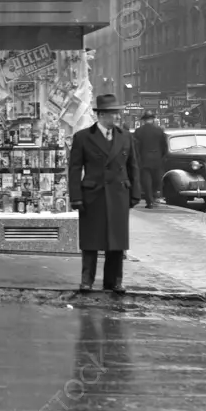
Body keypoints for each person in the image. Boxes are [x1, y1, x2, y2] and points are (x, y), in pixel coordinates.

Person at [68, 94, 141, 294]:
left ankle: (114, 281)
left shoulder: (126, 136)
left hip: (118, 194)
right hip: (93, 195)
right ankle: (87, 280)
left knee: (117, 241)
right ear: (100, 115)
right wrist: (76, 196)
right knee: (91, 241)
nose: (117, 117)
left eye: (118, 113)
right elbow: (74, 169)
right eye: (112, 114)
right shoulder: (83, 137)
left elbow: (133, 166)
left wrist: (135, 193)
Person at [132, 111, 168, 208]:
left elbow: (135, 147)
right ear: (153, 119)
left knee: (146, 180)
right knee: (157, 179)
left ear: (143, 120)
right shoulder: (159, 131)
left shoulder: (138, 131)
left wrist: (137, 158)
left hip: (144, 159)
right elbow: (164, 146)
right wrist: (162, 157)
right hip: (157, 159)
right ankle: (154, 195)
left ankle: (149, 201)